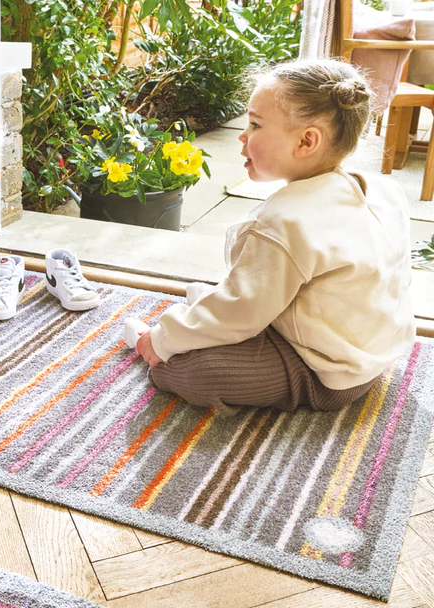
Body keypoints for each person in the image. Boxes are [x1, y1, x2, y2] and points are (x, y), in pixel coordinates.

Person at [134, 59, 416, 416]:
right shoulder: (384, 189)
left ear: (306, 141)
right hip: (372, 353)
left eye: (255, 124)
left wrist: (161, 340)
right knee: (234, 306)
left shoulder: (284, 222)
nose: (241, 135)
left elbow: (242, 312)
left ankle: (200, 318)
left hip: (324, 373)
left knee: (188, 372)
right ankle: (208, 309)